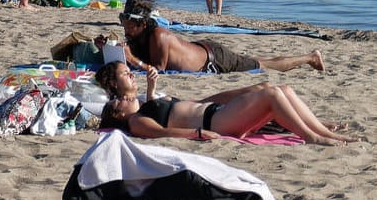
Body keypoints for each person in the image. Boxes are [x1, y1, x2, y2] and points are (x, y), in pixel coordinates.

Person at [95, 61, 351, 145]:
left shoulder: (146, 105)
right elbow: (163, 133)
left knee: (282, 88)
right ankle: (313, 136)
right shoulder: (137, 122)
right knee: (271, 95)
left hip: (216, 112)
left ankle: (323, 130)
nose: (125, 99)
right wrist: (197, 134)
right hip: (214, 121)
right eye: (120, 102)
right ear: (118, 115)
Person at [117, 7, 325, 74]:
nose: (125, 28)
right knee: (258, 60)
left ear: (142, 24)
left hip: (214, 59)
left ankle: (309, 57)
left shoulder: (159, 35)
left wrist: (131, 59)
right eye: (123, 21)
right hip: (205, 51)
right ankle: (309, 57)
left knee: (261, 64)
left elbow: (159, 70)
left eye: (129, 24)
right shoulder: (142, 37)